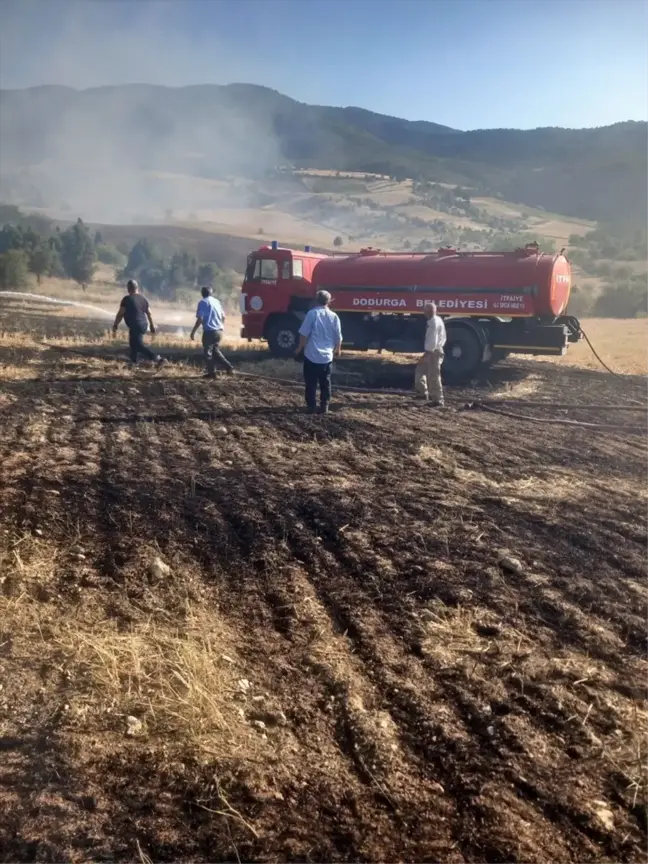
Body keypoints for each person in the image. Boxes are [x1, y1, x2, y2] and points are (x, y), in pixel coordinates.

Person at [296, 290, 342, 414]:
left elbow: (304, 334)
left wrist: (299, 349)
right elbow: (338, 336)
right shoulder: (334, 316)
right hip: (327, 357)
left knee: (311, 382)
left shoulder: (312, 314)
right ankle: (324, 406)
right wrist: (338, 350)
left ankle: (311, 406)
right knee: (325, 382)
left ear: (316, 300)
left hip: (311, 354)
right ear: (329, 301)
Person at [112, 279, 164, 367]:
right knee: (133, 343)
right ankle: (133, 362)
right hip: (143, 325)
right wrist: (151, 325)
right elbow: (149, 313)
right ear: (137, 288)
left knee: (138, 345)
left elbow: (120, 314)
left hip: (136, 325)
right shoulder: (143, 299)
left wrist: (115, 325)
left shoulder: (127, 299)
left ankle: (158, 358)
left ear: (128, 289)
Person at [190, 285, 234, 378]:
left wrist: (193, 332)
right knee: (216, 351)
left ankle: (212, 373)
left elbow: (200, 319)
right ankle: (229, 367)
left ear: (202, 294)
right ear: (211, 293)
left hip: (209, 332)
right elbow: (223, 317)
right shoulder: (217, 301)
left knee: (208, 353)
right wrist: (220, 326)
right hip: (219, 331)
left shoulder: (202, 302)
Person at [414, 301, 446, 406]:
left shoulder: (433, 324)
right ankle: (422, 393)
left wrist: (427, 354)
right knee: (420, 370)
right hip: (434, 351)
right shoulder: (438, 319)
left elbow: (432, 341)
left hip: (433, 353)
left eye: (425, 310)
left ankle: (438, 400)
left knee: (434, 376)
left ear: (427, 312)